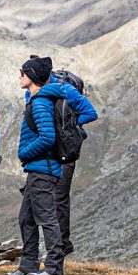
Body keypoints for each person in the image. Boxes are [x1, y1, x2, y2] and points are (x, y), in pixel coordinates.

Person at [7, 55, 98, 275]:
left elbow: (47, 137)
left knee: (47, 217)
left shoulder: (40, 102)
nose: (19, 76)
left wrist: (24, 153)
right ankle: (28, 265)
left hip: (43, 167)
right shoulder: (37, 97)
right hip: (37, 167)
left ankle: (53, 269)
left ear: (32, 76)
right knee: (26, 218)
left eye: (22, 72)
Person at [49, 68, 98, 255]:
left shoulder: (65, 90)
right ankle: (58, 245)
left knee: (59, 199)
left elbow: (91, 113)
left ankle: (62, 245)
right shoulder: (37, 91)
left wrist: (70, 125)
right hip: (51, 153)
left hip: (65, 151)